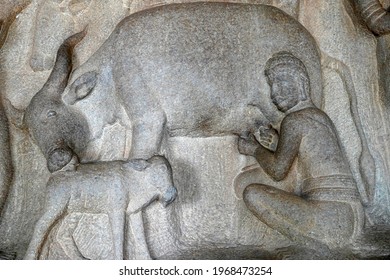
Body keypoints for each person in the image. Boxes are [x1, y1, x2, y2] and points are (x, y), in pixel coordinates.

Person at [238, 52, 364, 248]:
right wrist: (276, 145)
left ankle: (315, 248)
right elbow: (311, 155)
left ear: (301, 83)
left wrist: (253, 149)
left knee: (252, 194)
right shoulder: (319, 116)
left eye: (282, 82)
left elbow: (278, 171)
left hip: (330, 217)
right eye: (272, 85)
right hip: (351, 215)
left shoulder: (294, 120)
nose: (275, 92)